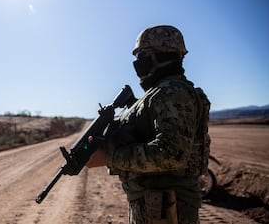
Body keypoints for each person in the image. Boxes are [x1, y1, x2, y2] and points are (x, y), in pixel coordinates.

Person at [86, 25, 211, 224]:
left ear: (161, 55)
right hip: (155, 204)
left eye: (143, 55)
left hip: (167, 208)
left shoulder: (173, 92)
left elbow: (172, 154)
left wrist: (109, 157)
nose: (137, 63)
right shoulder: (160, 93)